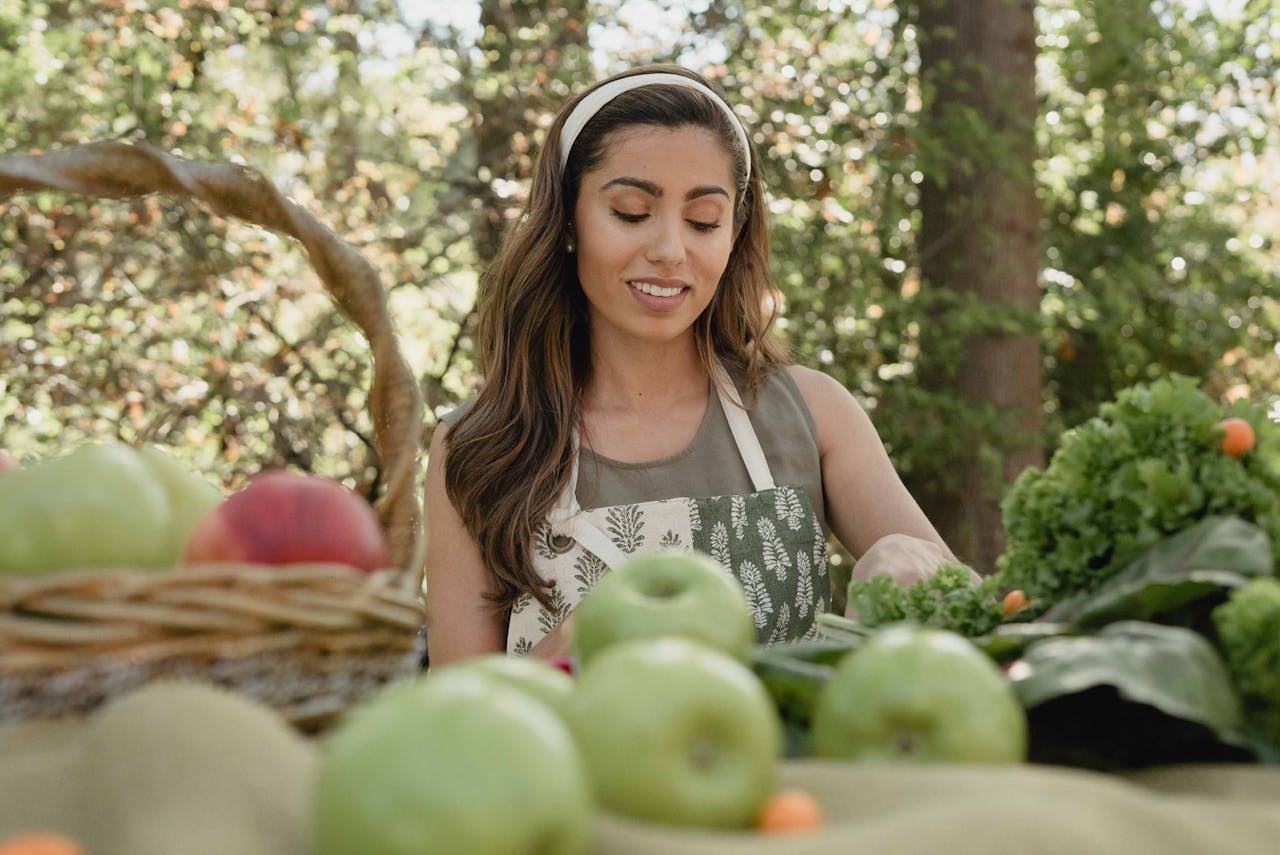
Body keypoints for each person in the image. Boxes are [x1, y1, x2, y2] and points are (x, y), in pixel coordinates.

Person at [423, 64, 957, 666]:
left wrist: (915, 562)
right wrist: (568, 654)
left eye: (703, 221)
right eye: (630, 211)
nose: (670, 251)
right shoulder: (478, 447)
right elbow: (461, 713)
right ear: (568, 220)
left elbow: (967, 611)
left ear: (734, 233)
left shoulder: (813, 413)